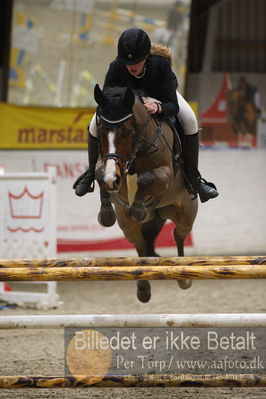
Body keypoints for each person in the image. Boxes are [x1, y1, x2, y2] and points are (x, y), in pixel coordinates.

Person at [73, 28, 218, 203]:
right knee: (95, 123)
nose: (132, 66)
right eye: (128, 62)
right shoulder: (117, 67)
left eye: (137, 61)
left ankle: (193, 179)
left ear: (146, 57)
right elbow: (107, 100)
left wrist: (159, 107)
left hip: (160, 98)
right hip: (127, 104)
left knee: (190, 120)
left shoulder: (160, 66)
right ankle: (90, 174)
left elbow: (172, 104)